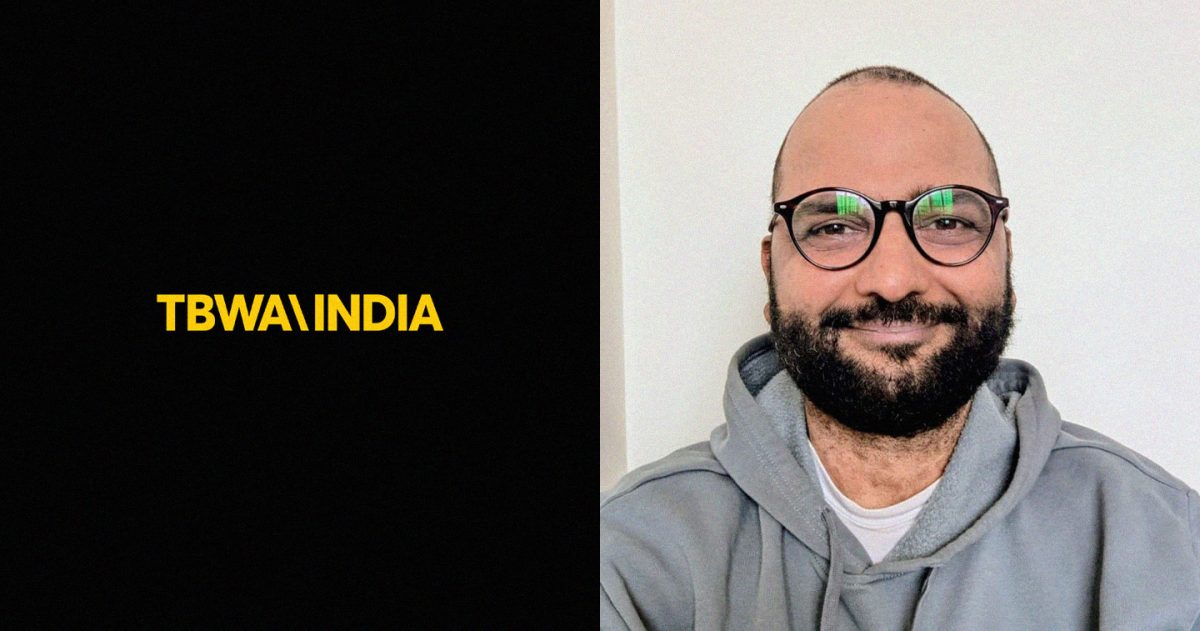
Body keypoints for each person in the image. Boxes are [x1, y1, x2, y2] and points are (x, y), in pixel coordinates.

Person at [599, 66, 1200, 631]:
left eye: (947, 222)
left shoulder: (1169, 543)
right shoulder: (626, 555)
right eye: (833, 226)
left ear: (1006, 259)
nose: (891, 280)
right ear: (770, 272)